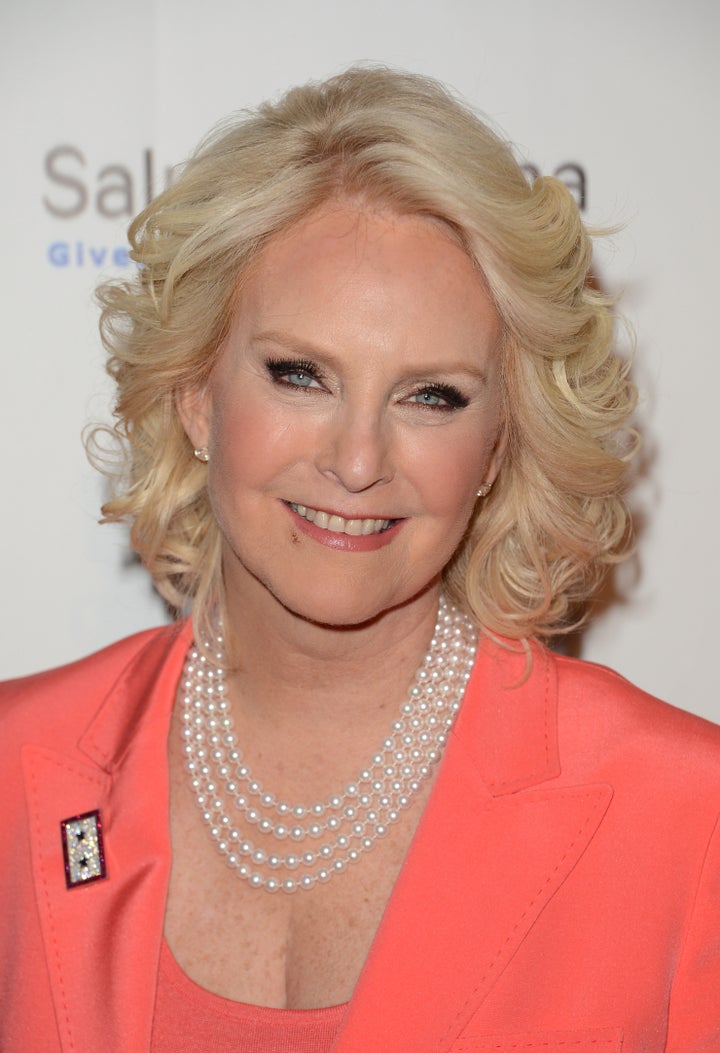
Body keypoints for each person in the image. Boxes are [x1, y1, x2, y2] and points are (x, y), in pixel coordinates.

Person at [1, 67, 719, 1053]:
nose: (356, 460)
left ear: (501, 444)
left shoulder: (686, 818)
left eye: (432, 396)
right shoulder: (14, 766)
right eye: (301, 375)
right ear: (196, 396)